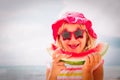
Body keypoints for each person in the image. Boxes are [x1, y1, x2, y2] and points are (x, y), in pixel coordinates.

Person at [46, 12, 105, 80]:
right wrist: (53, 74)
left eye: (78, 33)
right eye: (66, 34)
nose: (73, 40)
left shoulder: (95, 63)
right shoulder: (53, 64)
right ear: (60, 39)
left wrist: (88, 71)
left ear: (87, 36)